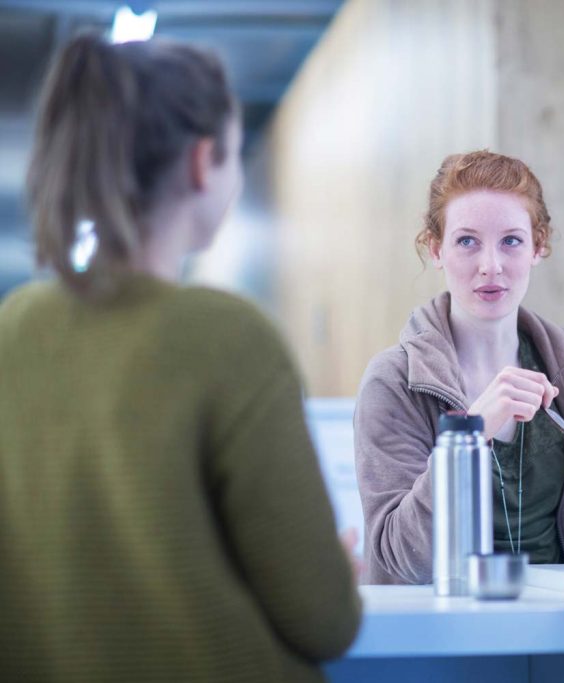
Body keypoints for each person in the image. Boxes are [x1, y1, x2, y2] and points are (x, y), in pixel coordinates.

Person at [0, 35, 361, 682]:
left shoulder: (13, 329)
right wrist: (328, 570)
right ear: (203, 163)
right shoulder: (228, 338)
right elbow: (326, 619)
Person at [354, 150, 564, 584]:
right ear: (435, 249)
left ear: (538, 247)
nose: (491, 266)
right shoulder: (394, 382)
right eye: (467, 241)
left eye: (511, 241)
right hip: (444, 636)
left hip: (561, 631)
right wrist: (471, 432)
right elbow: (401, 557)